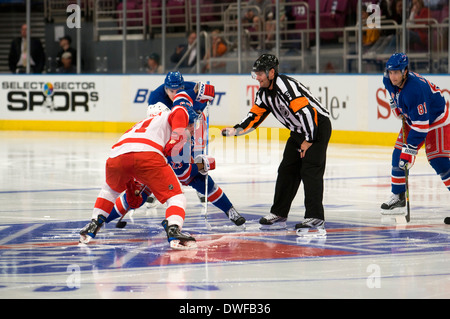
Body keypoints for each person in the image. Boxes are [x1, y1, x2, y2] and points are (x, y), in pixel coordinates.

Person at [79, 85, 214, 250]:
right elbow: (180, 111)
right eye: (191, 126)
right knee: (177, 196)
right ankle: (174, 229)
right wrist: (178, 138)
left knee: (109, 190)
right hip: (147, 155)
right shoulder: (173, 115)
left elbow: (133, 156)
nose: (193, 129)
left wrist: (134, 185)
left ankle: (93, 224)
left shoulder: (143, 123)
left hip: (117, 154)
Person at [221, 54, 332, 236]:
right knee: (287, 169)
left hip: (316, 127)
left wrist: (309, 140)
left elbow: (307, 113)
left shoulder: (286, 87)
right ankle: (279, 213)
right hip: (299, 131)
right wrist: (236, 129)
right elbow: (254, 116)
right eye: (255, 73)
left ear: (271, 72)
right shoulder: (264, 93)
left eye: (260, 73)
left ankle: (315, 216)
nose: (257, 77)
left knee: (310, 170)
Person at [145, 71, 246, 226]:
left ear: (183, 86)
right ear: (165, 88)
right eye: (171, 91)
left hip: (189, 128)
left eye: (178, 90)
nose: (174, 93)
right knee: (169, 169)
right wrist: (201, 165)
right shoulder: (156, 98)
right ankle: (151, 190)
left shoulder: (192, 89)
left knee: (194, 161)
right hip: (169, 135)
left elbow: (199, 109)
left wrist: (207, 96)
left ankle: (228, 207)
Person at [380, 53, 450, 214]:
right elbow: (392, 92)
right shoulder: (387, 79)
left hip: (435, 120)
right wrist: (396, 106)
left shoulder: (415, 90)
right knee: (397, 155)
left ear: (405, 71)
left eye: (396, 72)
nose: (393, 76)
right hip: (414, 119)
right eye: (391, 72)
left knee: (439, 161)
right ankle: (398, 196)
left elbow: (421, 127)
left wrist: (409, 152)